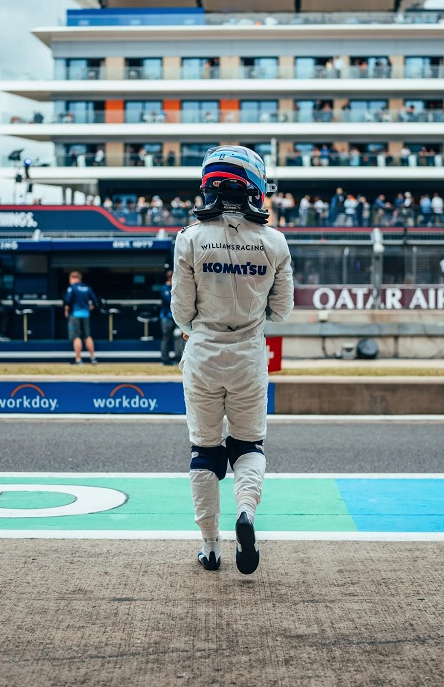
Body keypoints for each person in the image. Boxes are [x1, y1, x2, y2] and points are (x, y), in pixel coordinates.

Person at [172, 145, 293, 575]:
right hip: (248, 355)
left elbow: (180, 312)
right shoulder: (275, 241)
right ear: (255, 186)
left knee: (204, 452)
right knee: (248, 446)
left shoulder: (188, 239)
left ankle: (210, 547)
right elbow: (281, 311)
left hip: (203, 352)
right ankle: (246, 513)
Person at [64, 271, 98, 364]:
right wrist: (89, 308)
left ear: (73, 278)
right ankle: (92, 358)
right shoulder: (87, 288)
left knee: (76, 336)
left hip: (75, 314)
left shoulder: (72, 288)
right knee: (87, 336)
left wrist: (66, 310)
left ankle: (78, 359)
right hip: (86, 314)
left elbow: (67, 300)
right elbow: (95, 301)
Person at [159, 270, 176, 366]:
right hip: (166, 317)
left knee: (173, 338)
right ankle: (165, 359)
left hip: (173, 317)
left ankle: (172, 358)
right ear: (170, 278)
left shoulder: (173, 288)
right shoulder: (165, 288)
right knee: (166, 338)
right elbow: (170, 301)